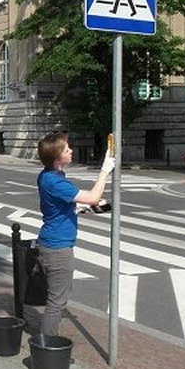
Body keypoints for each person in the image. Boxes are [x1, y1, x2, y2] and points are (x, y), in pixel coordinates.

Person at [35, 131, 115, 337]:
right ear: (57, 157)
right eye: (66, 149)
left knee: (55, 299)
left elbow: (58, 205)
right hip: (57, 248)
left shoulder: (49, 176)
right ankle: (47, 346)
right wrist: (105, 171)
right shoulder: (55, 181)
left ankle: (46, 343)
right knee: (56, 302)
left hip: (51, 243)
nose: (71, 150)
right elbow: (93, 197)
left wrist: (76, 209)